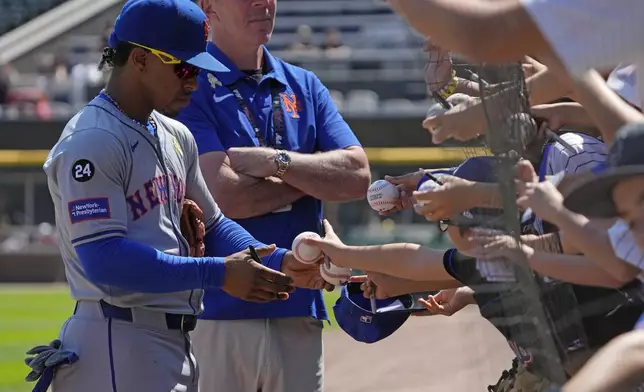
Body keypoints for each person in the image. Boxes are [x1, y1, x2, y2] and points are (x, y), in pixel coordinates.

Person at [25, 1, 327, 391]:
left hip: (173, 340)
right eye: (184, 67)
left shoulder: (174, 134)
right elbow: (104, 258)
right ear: (140, 60)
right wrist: (218, 273)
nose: (194, 80)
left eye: (199, 69)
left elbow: (215, 223)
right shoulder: (93, 140)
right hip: (116, 339)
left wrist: (276, 259)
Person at [174, 1, 371, 391]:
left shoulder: (303, 84)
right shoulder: (189, 84)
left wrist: (274, 163)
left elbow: (358, 177)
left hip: (299, 306)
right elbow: (226, 197)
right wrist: (313, 174)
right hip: (216, 311)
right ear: (207, 6)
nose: (262, 2)